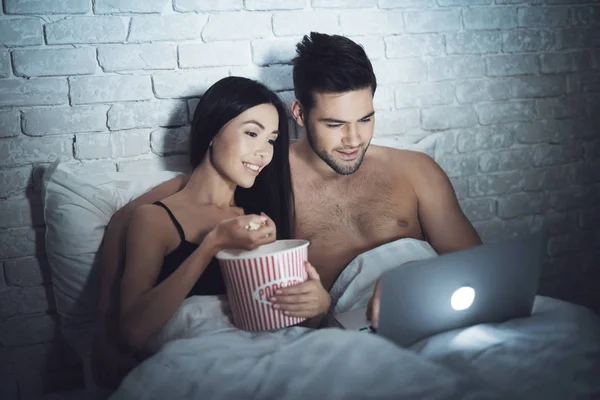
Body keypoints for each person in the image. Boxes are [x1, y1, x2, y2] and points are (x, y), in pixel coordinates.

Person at [92, 32, 482, 387]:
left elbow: (479, 267)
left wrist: (418, 276)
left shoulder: (416, 169)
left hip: (438, 304)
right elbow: (134, 217)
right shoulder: (263, 173)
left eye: (366, 119)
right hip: (355, 330)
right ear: (299, 114)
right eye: (334, 124)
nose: (353, 139)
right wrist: (106, 334)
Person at [91, 76, 331, 388]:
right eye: (251, 133)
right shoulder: (155, 219)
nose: (264, 152)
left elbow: (277, 322)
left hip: (265, 362)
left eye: (271, 140)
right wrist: (211, 244)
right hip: (194, 369)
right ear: (212, 131)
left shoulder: (259, 220)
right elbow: (134, 332)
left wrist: (318, 306)